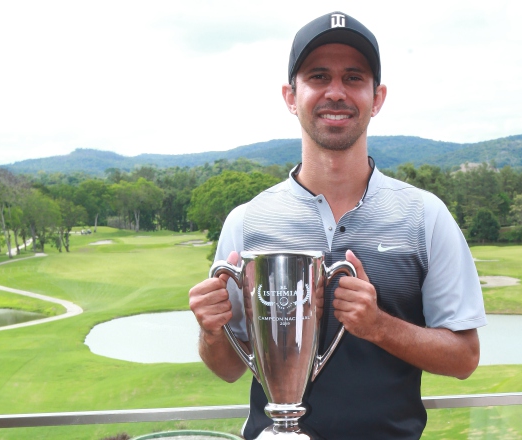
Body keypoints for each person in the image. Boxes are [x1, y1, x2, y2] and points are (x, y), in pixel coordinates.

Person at [189, 11, 487, 440]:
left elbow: (464, 359)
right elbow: (228, 369)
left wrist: (378, 325)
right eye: (318, 77)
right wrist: (211, 331)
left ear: (377, 97)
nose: (335, 92)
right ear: (291, 96)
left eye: (353, 78)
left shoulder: (425, 216)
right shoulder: (248, 221)